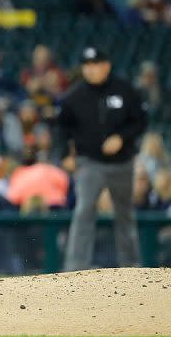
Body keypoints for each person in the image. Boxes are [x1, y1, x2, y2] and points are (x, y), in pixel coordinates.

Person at [57, 46, 147, 271]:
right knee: (84, 211)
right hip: (90, 163)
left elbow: (140, 121)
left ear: (106, 65)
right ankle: (75, 268)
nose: (90, 69)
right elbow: (61, 128)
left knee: (125, 214)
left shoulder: (125, 90)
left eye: (95, 64)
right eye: (86, 65)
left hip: (122, 162)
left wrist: (122, 137)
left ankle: (131, 266)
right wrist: (64, 154)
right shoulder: (74, 97)